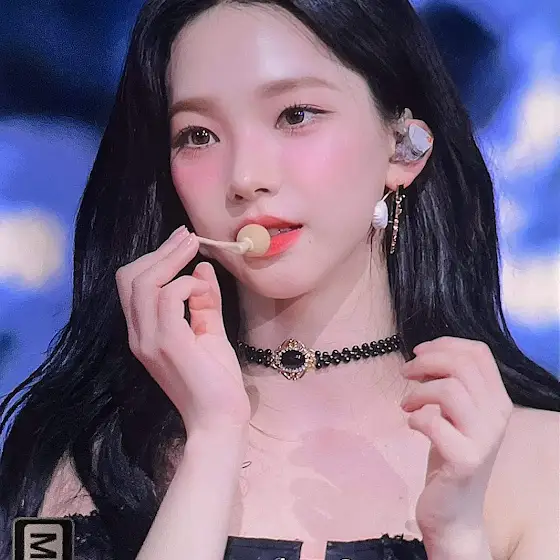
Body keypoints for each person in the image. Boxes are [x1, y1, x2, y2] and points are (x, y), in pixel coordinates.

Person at [0, 0, 559, 559]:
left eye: (295, 115)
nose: (245, 177)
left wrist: (458, 534)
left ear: (403, 148)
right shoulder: (77, 461)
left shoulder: (539, 460)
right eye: (198, 135)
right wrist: (213, 441)